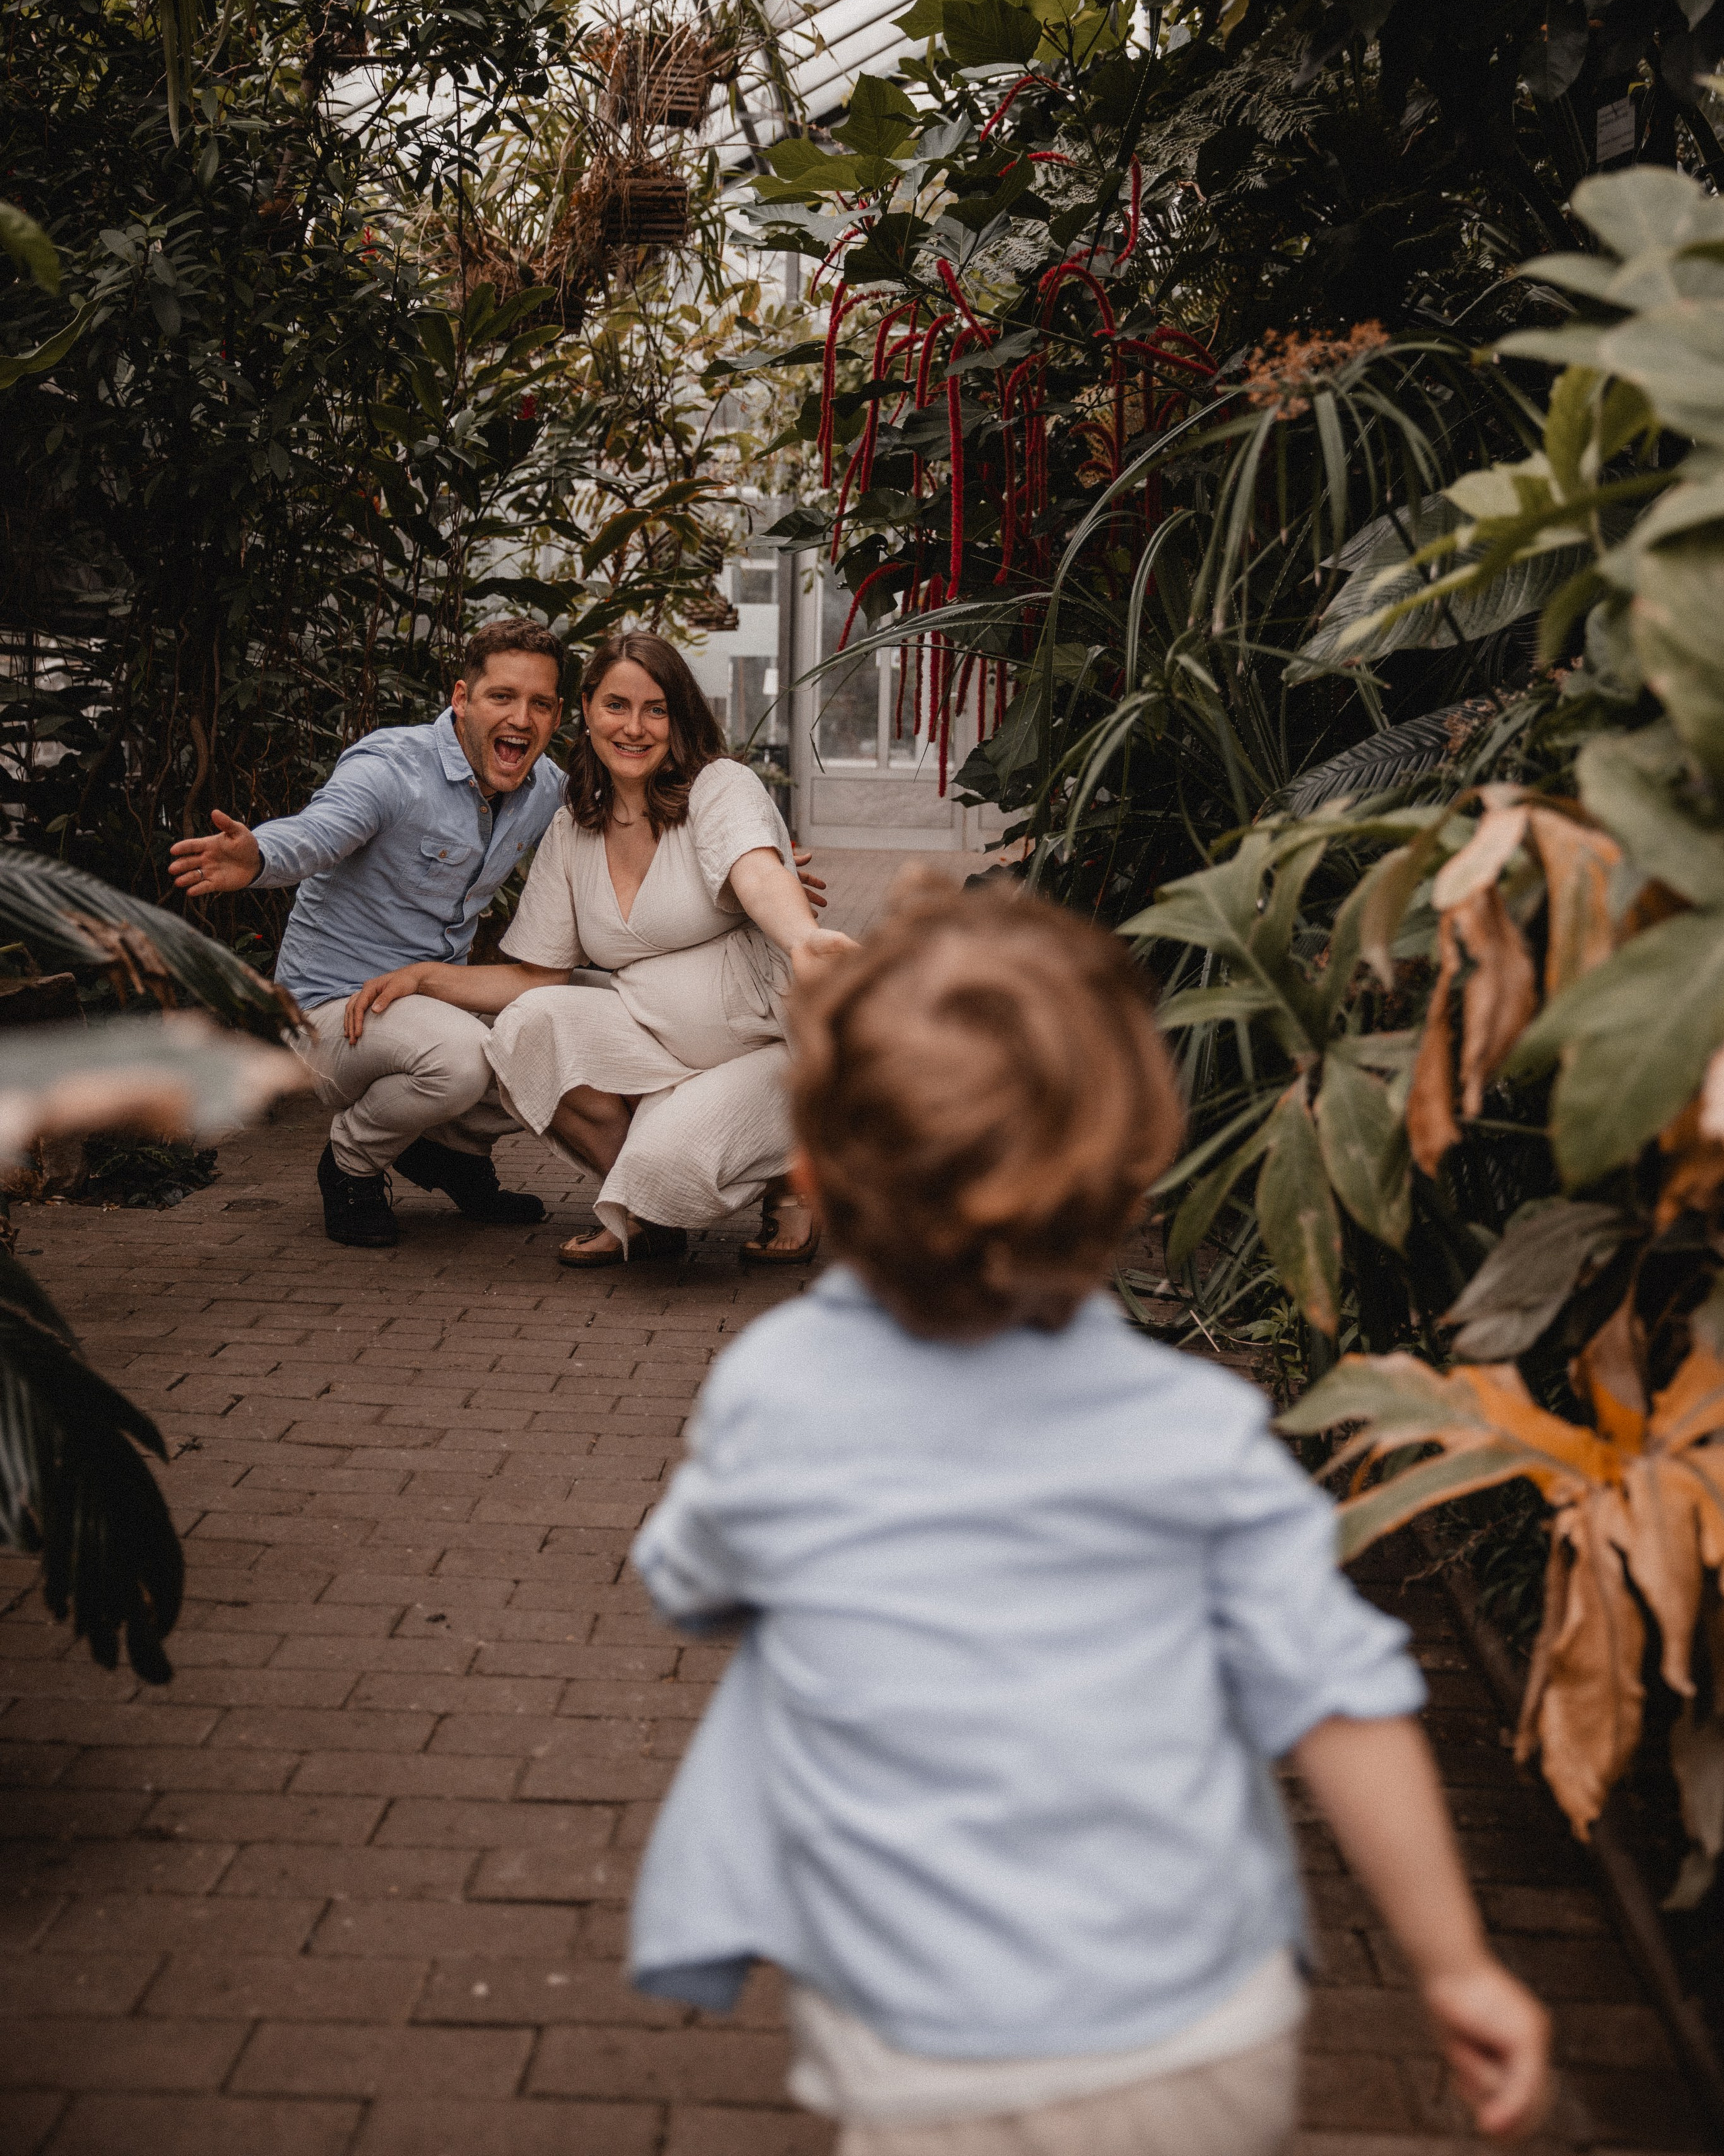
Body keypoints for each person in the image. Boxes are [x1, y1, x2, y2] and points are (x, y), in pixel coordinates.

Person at [624, 880, 1552, 2155]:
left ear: (812, 1171)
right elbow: (1339, 1697)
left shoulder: (774, 1396)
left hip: (922, 2049)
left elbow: (692, 1579)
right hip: (1198, 2037)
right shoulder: (1199, 1433)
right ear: (1131, 1172)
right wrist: (1454, 1965)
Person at [170, 616, 829, 1252]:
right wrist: (258, 857)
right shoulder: (391, 770)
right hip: (333, 1012)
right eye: (501, 697)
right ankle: (351, 1165)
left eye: (540, 703)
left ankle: (453, 1157)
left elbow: (647, 835)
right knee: (467, 1057)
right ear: (462, 699)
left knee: (546, 1037)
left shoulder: (550, 792)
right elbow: (318, 833)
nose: (521, 718)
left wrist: (755, 864)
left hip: (429, 1005)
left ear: (558, 714)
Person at [343, 632, 856, 1269]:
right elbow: (538, 974)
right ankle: (635, 1206)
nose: (635, 728)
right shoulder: (575, 822)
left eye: (657, 709)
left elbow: (756, 870)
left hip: (764, 1051)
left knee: (673, 1173)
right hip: (654, 1043)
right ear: (585, 709)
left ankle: (786, 1184)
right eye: (617, 705)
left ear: (680, 717)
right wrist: (423, 978)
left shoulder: (719, 786)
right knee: (528, 1027)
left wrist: (801, 937)